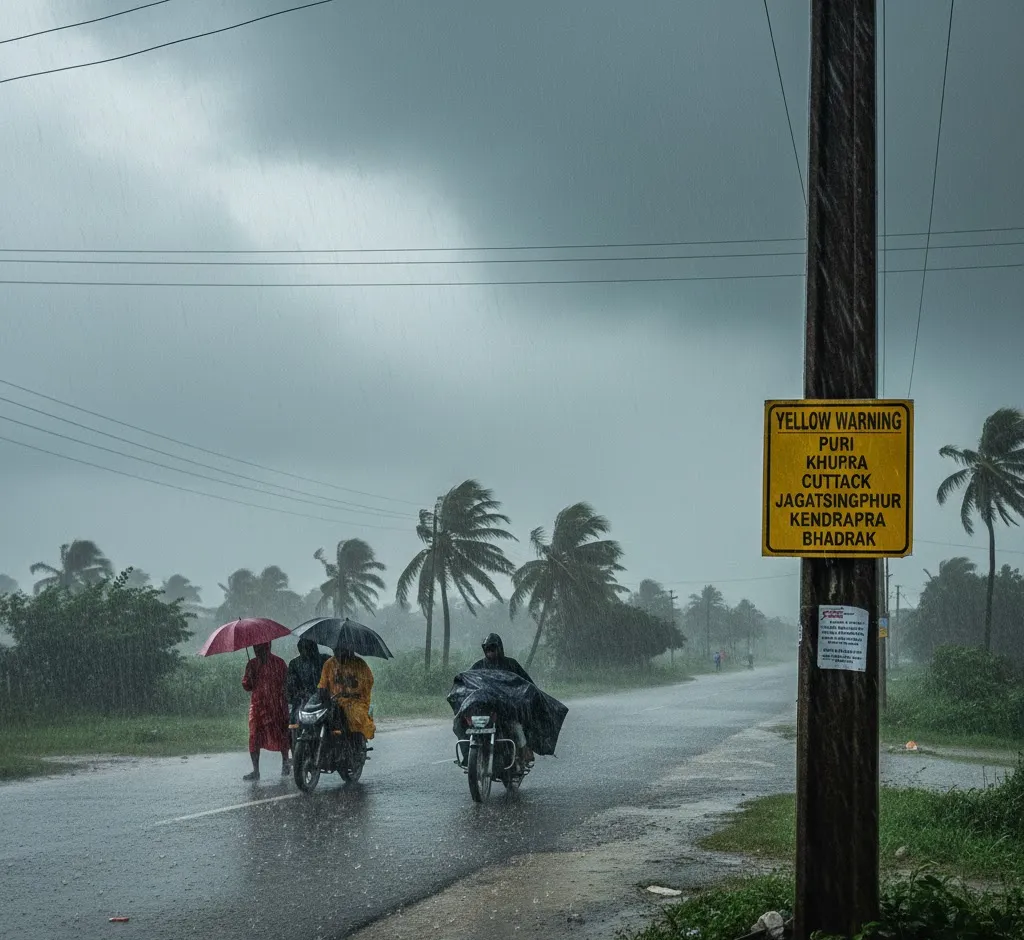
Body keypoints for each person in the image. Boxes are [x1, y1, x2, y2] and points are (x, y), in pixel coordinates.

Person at [470, 633, 534, 765]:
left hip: (507, 708)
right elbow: (468, 682)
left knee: (516, 726)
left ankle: (524, 750)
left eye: (493, 648)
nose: (490, 651)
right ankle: (468, 756)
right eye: (487, 648)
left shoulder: (511, 664)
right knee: (463, 724)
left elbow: (526, 683)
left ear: (500, 648)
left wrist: (526, 695)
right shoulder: (478, 666)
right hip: (485, 709)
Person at [241, 642, 291, 781]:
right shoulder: (252, 665)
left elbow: (287, 683)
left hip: (276, 705)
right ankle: (256, 770)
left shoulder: (279, 663)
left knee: (281, 733)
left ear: (267, 647)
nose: (257, 650)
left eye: (261, 648)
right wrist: (250, 679)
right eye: (255, 648)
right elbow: (247, 685)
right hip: (258, 706)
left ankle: (285, 763)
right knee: (254, 736)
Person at [318, 643, 376, 741]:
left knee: (356, 717)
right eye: (336, 651)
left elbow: (367, 682)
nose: (338, 654)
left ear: (349, 651)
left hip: (355, 701)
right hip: (334, 700)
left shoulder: (359, 664)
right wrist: (322, 693)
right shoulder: (329, 664)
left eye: (342, 651)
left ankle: (356, 741)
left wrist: (352, 689)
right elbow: (322, 684)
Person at [287, 638, 329, 715]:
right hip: (303, 700)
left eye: (309, 648)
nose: (306, 652)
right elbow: (291, 686)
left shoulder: (325, 660)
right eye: (304, 648)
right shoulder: (294, 664)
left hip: (323, 698)